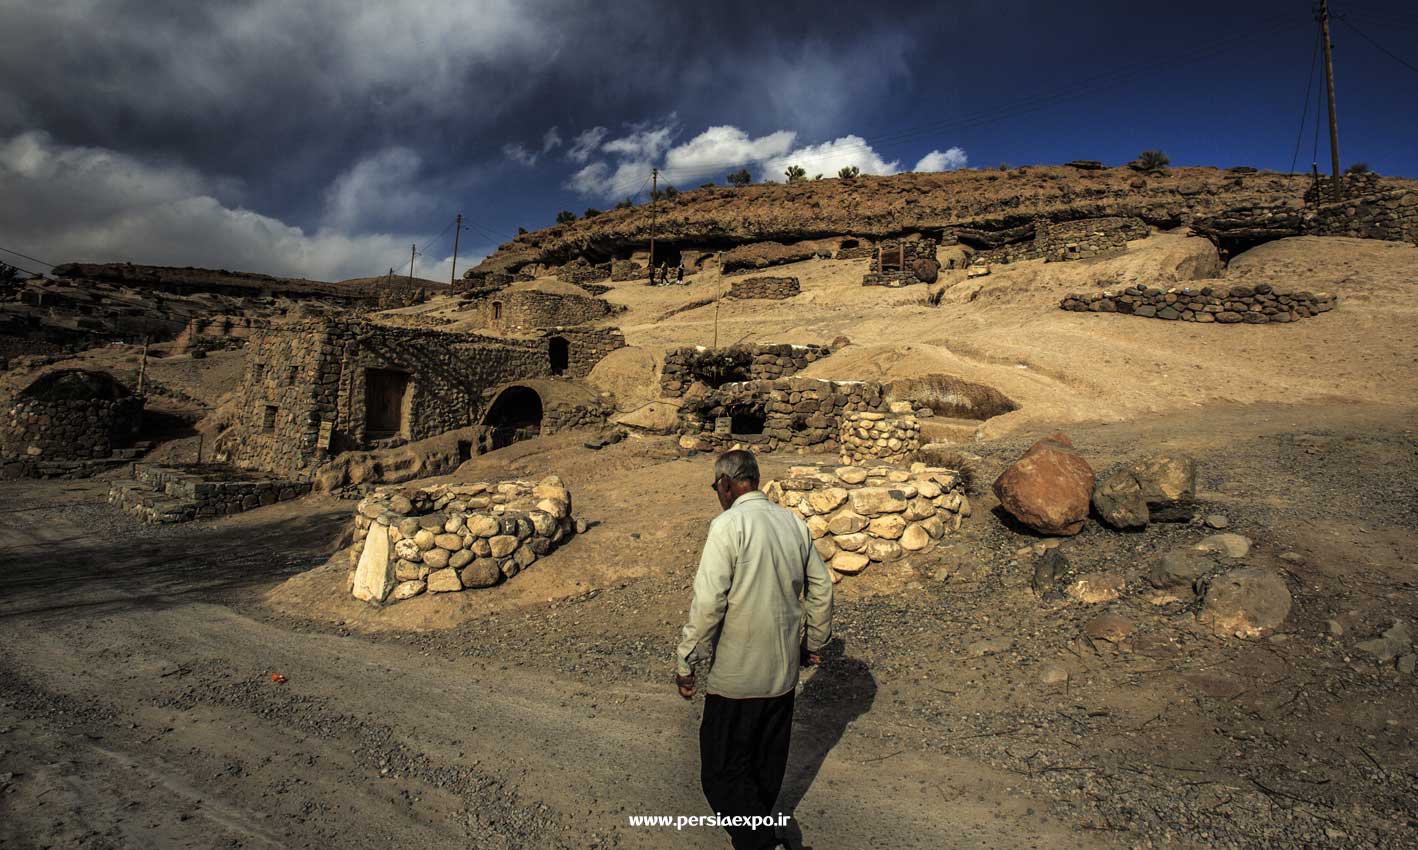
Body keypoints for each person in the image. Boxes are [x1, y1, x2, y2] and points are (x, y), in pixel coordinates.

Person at [675, 450, 834, 850]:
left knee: (721, 773)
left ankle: (762, 843)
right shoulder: (793, 523)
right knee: (764, 771)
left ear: (727, 483)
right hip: (782, 678)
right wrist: (813, 643)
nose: (717, 494)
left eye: (716, 487)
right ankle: (758, 837)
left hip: (737, 679)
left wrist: (687, 660)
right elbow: (822, 587)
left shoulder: (728, 525)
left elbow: (709, 602)